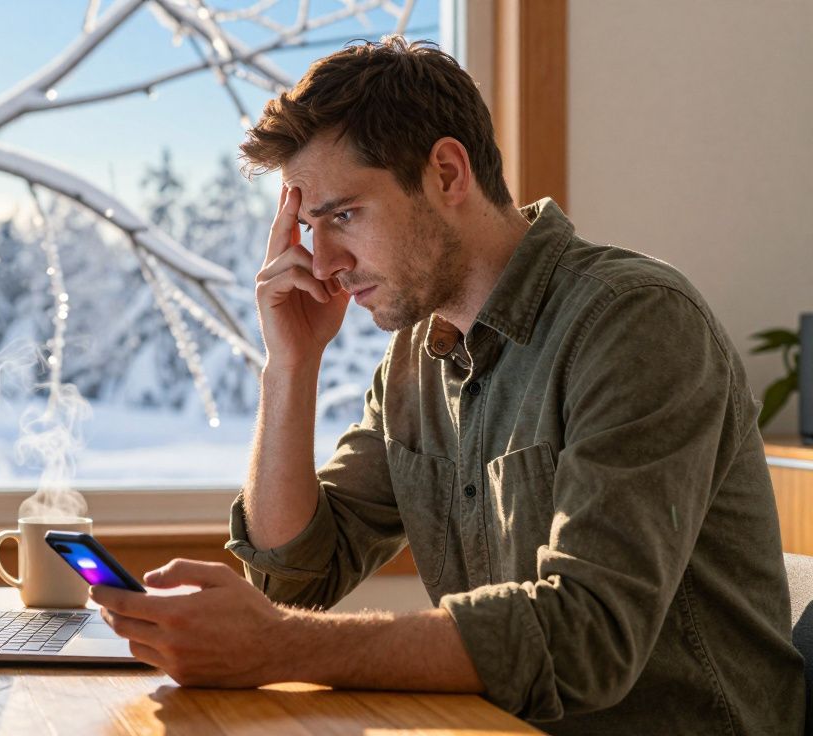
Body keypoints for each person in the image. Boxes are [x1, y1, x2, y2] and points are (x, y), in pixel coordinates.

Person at [89, 36, 806, 734]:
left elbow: (587, 638)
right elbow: (295, 577)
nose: (326, 262)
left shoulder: (636, 322)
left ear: (447, 173)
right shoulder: (416, 360)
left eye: (344, 215)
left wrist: (277, 645)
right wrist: (290, 368)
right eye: (310, 227)